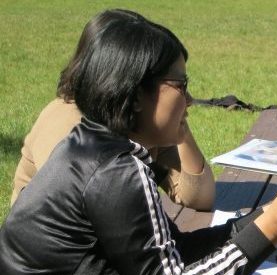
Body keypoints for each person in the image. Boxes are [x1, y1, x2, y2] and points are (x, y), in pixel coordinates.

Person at [0, 10, 277, 275]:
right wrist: (267, 231)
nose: (189, 102)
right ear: (136, 92)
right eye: (181, 86)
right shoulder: (116, 172)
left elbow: (174, 251)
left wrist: (269, 217)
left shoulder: (94, 147)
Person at [10, 9, 215, 211]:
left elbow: (199, 196)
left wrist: (178, 119)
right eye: (179, 85)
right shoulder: (69, 129)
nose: (189, 99)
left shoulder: (140, 122)